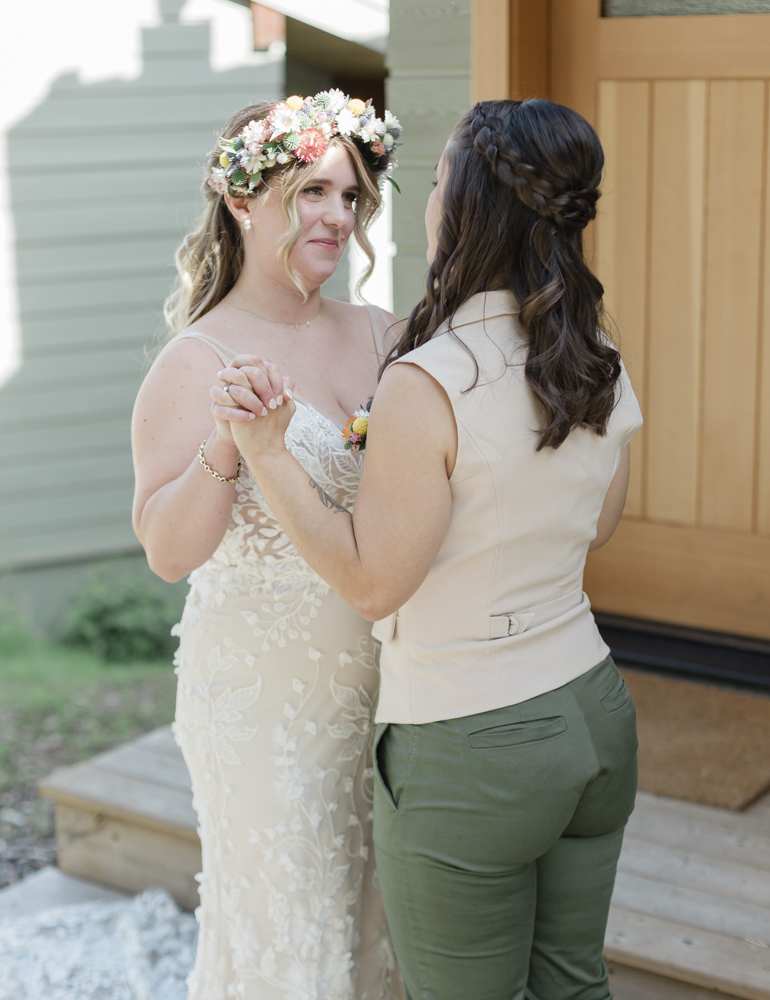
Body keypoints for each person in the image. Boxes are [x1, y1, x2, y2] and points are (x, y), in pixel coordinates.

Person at [212, 98, 643, 1000]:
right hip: (596, 715)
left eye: (439, 182)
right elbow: (597, 530)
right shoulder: (592, 350)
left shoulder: (429, 378)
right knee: (575, 983)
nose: (426, 202)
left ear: (470, 205)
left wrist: (265, 452)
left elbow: (373, 584)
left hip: (472, 748)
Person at [131, 92, 405, 999]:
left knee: (382, 926)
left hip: (395, 690)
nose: (337, 216)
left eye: (351, 196)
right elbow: (169, 554)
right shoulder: (194, 363)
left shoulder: (386, 335)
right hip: (262, 711)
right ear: (242, 200)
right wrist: (228, 440)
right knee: (298, 934)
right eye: (311, 192)